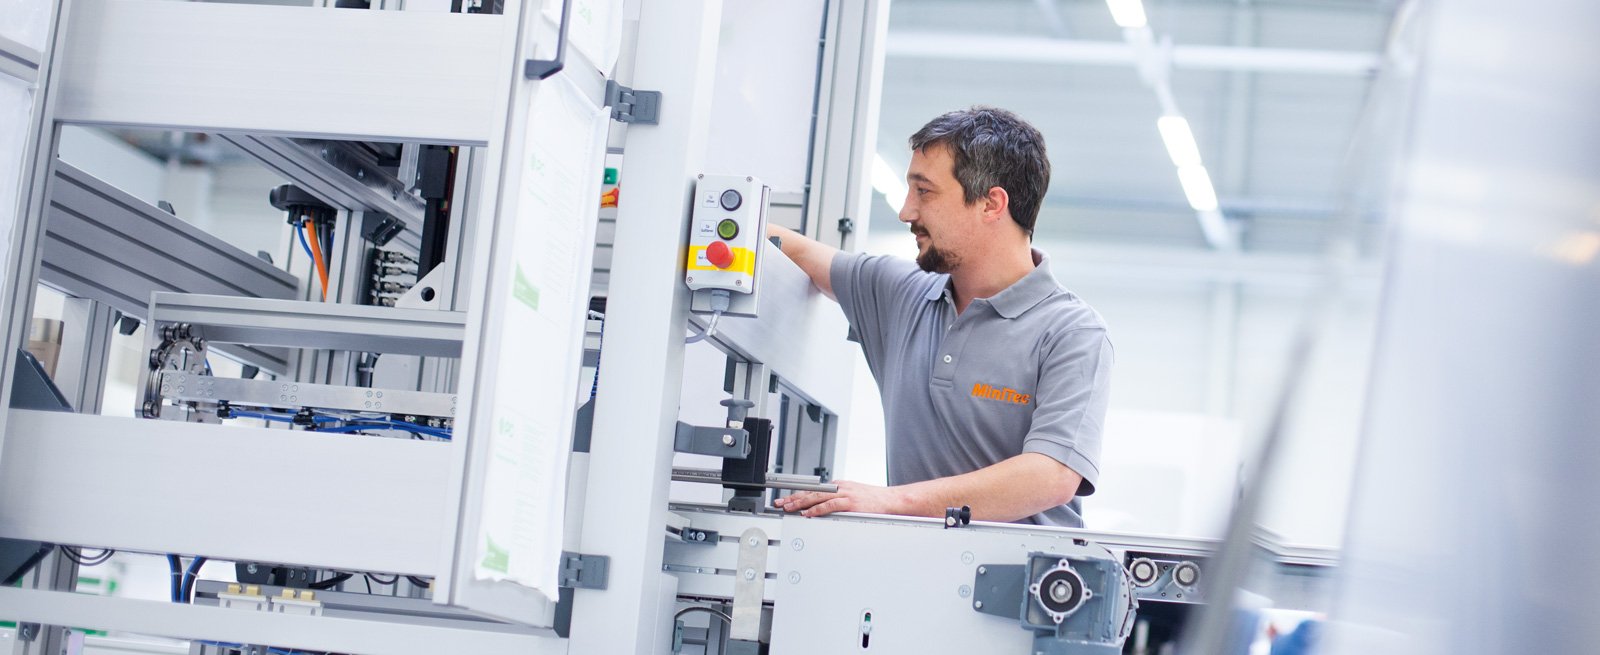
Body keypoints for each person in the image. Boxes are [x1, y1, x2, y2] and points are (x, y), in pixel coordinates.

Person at [767, 107, 1112, 527]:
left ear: (991, 204)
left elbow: (1050, 477)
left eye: (924, 191)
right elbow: (793, 251)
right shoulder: (901, 293)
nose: (906, 212)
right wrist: (722, 217)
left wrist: (889, 501)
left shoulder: (1071, 332)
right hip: (916, 562)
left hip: (1023, 567)